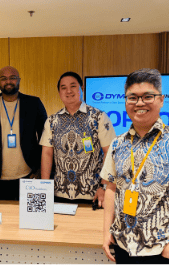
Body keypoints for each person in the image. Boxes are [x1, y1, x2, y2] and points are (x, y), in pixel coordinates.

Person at [100, 68, 169, 265]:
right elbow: (111, 187)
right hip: (123, 247)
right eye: (132, 97)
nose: (139, 103)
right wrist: (106, 231)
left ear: (161, 100)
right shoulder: (117, 144)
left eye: (147, 96)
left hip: (162, 251)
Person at [40, 71, 116, 205]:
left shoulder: (98, 117)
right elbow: (47, 154)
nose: (68, 91)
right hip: (59, 193)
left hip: (93, 194)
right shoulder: (52, 121)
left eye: (73, 86)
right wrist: (44, 188)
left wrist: (103, 186)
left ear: (82, 88)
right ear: (59, 92)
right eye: (63, 88)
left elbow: (110, 153)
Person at [0, 66, 47, 200]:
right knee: (1, 213)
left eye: (12, 78)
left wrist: (40, 169)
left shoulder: (34, 104)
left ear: (19, 80)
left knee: (29, 212)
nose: (8, 81)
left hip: (29, 175)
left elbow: (46, 139)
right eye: (4, 78)